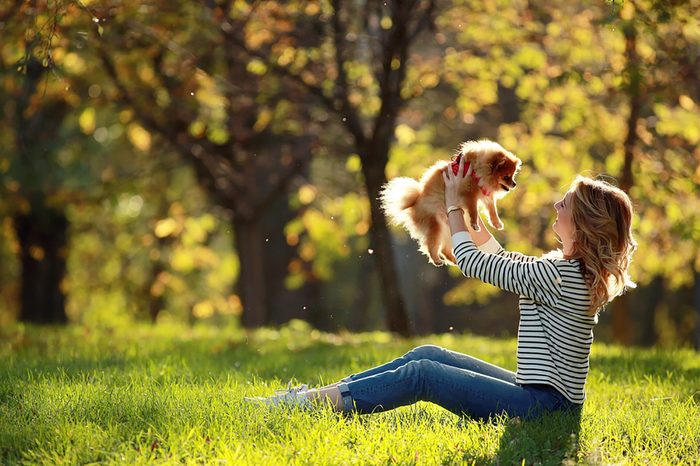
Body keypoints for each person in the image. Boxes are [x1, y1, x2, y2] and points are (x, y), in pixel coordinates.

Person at [245, 156, 637, 421]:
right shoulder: (566, 270)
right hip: (542, 397)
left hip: (543, 405)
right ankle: (315, 398)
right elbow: (505, 261)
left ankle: (306, 406)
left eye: (565, 204)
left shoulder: (562, 276)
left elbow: (474, 262)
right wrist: (473, 208)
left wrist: (453, 205)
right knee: (429, 353)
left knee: (424, 375)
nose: (556, 206)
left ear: (582, 222)